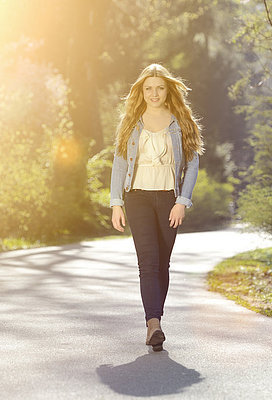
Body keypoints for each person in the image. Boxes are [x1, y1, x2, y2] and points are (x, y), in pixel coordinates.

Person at [110, 63, 204, 351]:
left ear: (167, 90)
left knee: (162, 262)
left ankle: (155, 320)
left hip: (168, 198)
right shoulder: (131, 121)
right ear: (141, 90)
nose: (154, 93)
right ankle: (154, 323)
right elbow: (120, 163)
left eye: (159, 88)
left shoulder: (180, 120)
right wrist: (116, 203)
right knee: (148, 261)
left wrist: (181, 202)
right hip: (136, 196)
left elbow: (193, 163)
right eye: (148, 88)